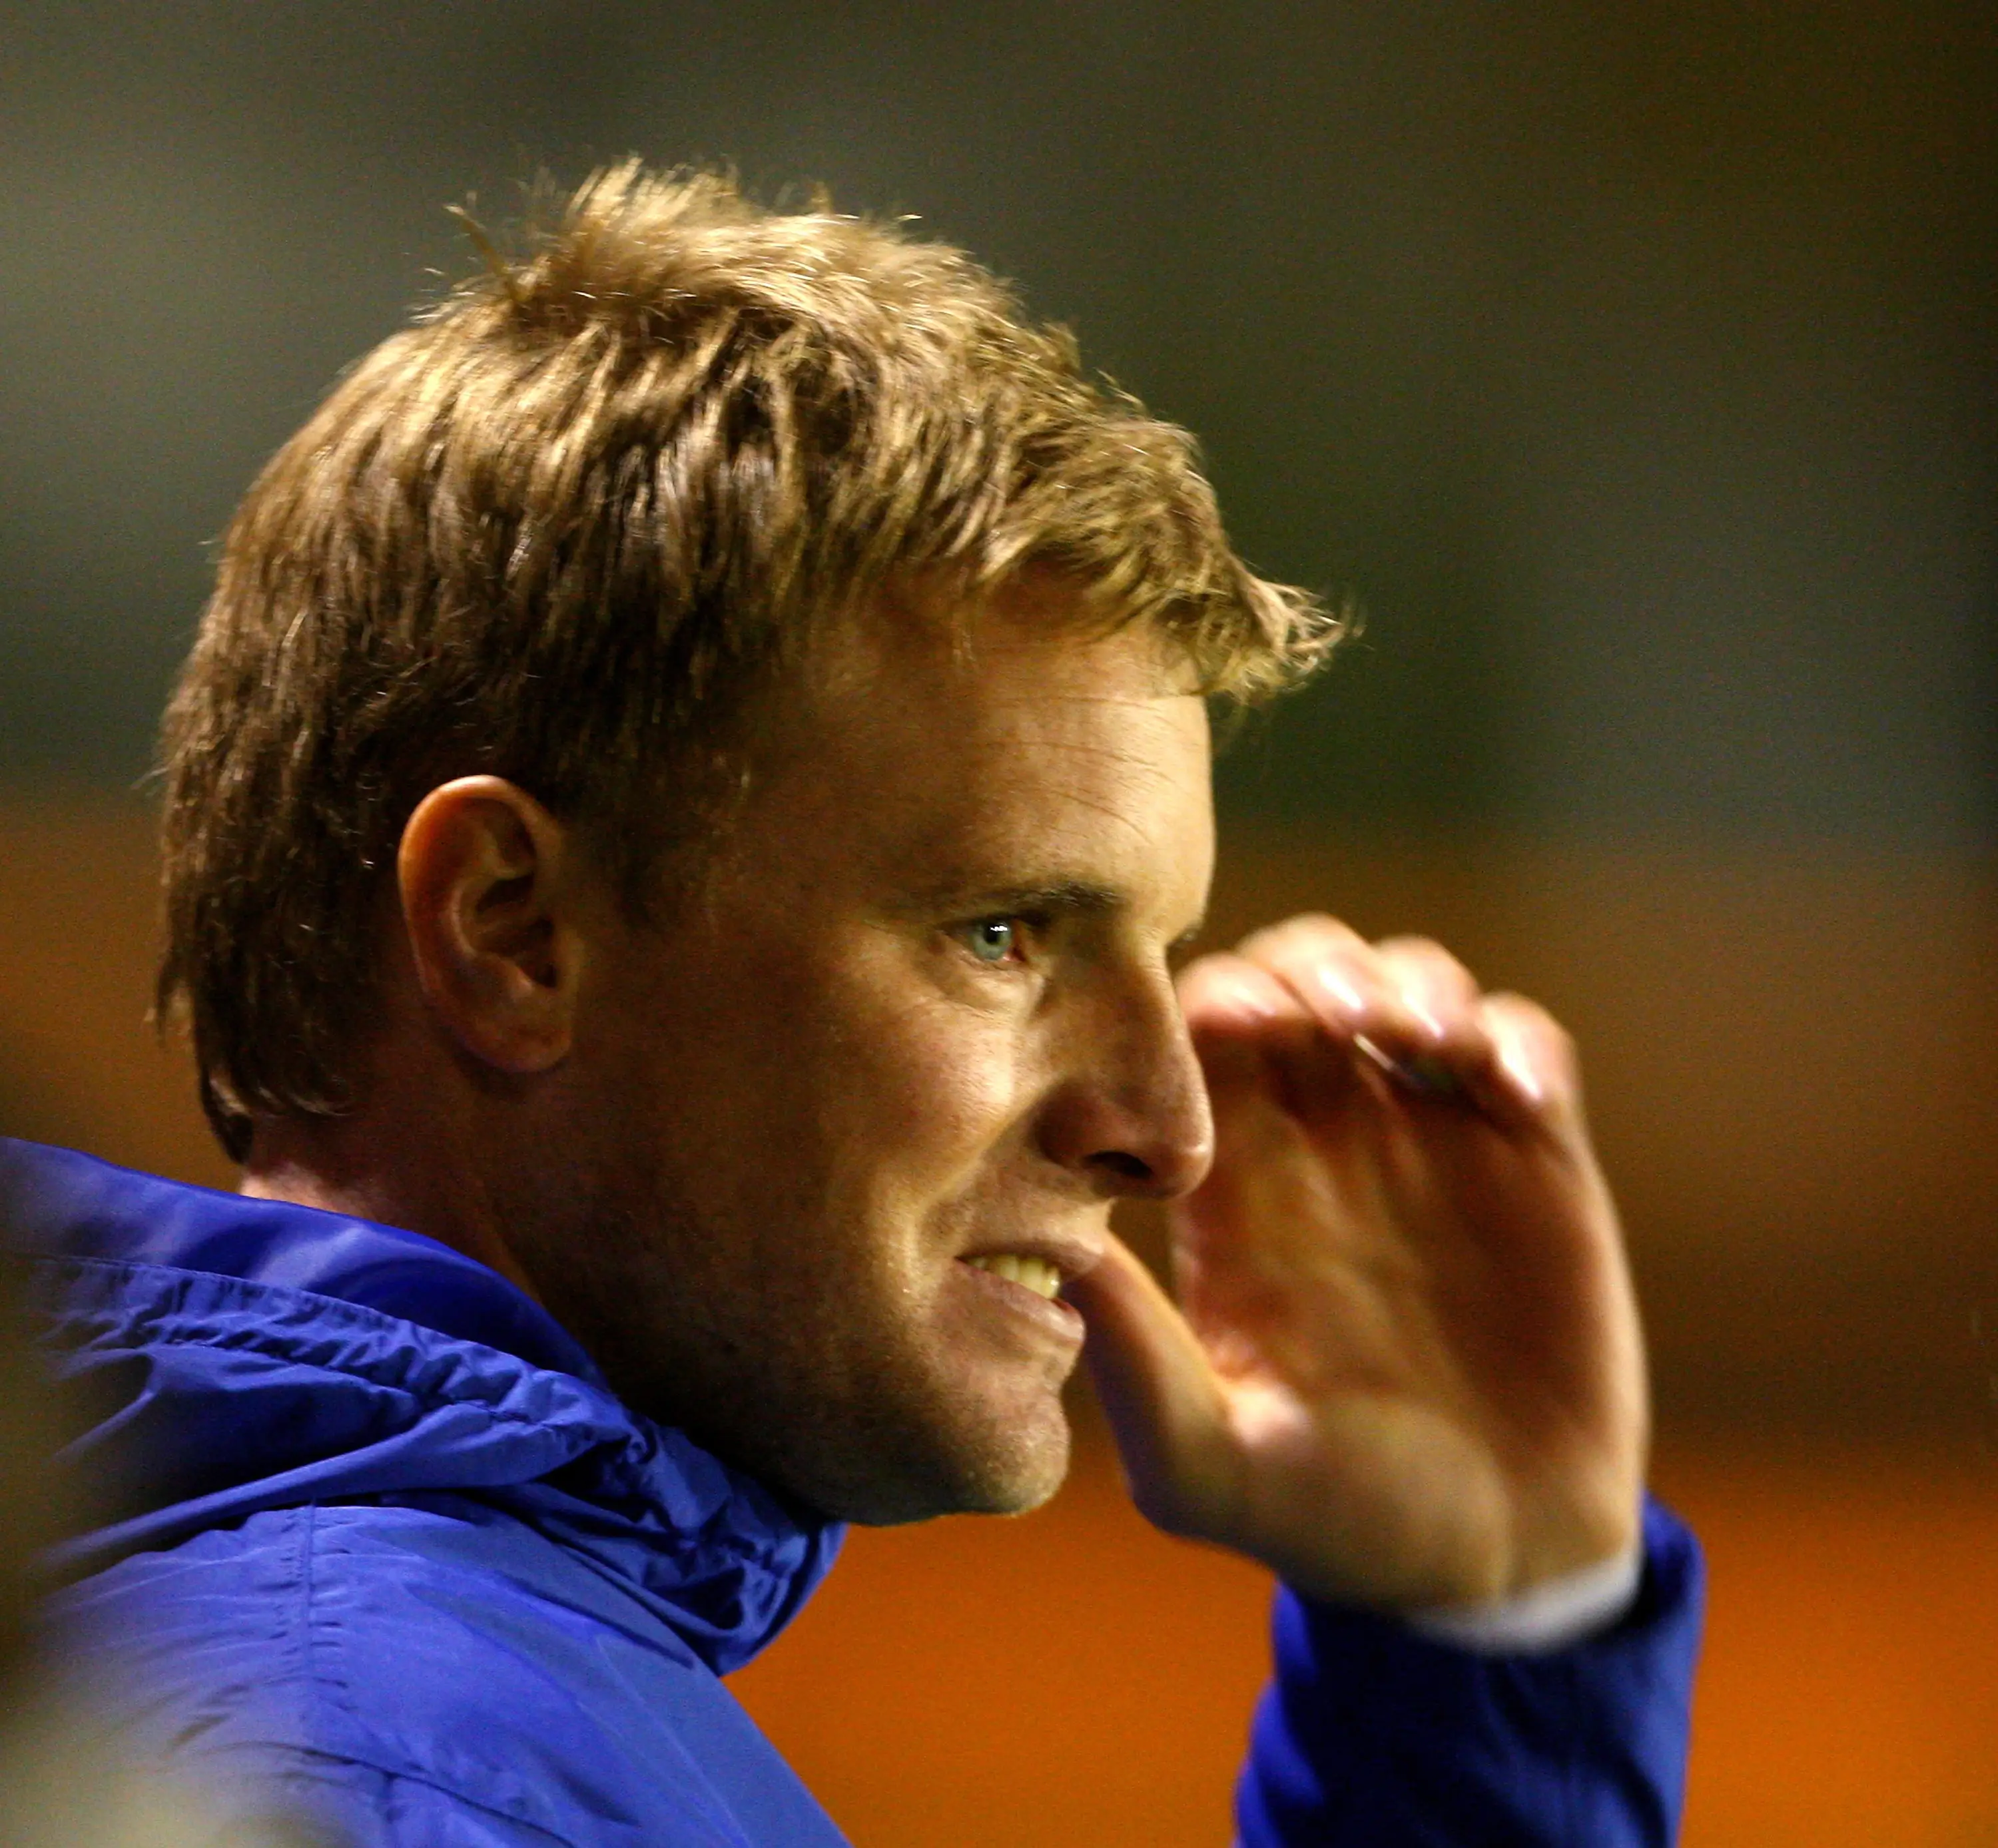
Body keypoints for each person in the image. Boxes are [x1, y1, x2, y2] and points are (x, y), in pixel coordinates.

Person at [3, 164, 1700, 1845]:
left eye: (1167, 957)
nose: (1168, 1132)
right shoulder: (401, 1780)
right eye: (1004, 933)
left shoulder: (449, 1716)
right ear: (515, 931)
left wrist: (1486, 1649)